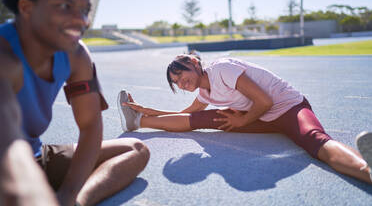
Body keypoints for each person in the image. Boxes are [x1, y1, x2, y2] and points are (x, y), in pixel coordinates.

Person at [0, 0, 149, 205]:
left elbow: (90, 125)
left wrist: (70, 196)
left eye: (84, 9)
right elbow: (10, 149)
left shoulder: (76, 55)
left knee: (135, 149)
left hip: (34, 157)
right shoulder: (5, 58)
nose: (81, 21)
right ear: (26, 7)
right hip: (9, 164)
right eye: (65, 6)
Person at [118, 53, 372, 184]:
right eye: (176, 83)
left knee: (315, 140)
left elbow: (265, 101)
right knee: (198, 120)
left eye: (181, 75)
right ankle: (138, 122)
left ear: (194, 63)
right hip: (258, 118)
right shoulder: (204, 90)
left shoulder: (222, 69)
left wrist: (240, 122)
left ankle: (366, 169)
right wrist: (149, 110)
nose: (182, 84)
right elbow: (189, 113)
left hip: (288, 108)